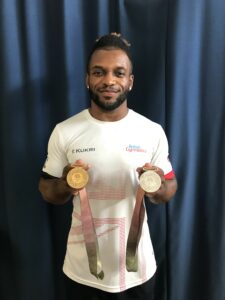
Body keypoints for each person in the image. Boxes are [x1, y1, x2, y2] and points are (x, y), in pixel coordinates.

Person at [39, 32, 177, 300]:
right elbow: (47, 189)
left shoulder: (151, 131)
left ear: (130, 81)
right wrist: (65, 184)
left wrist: (157, 186)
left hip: (137, 271)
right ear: (87, 79)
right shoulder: (65, 131)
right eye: (99, 72)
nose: (109, 81)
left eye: (119, 73)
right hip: (83, 272)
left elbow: (169, 188)